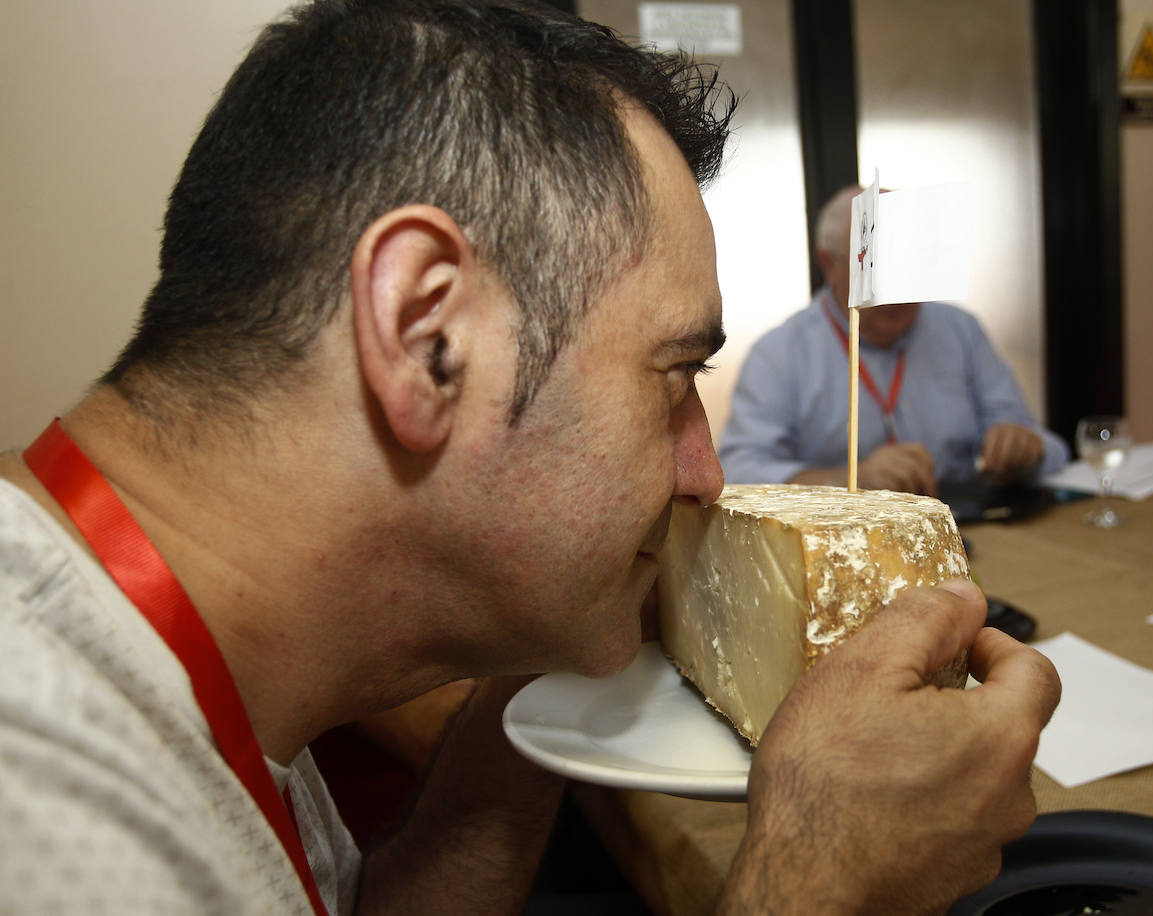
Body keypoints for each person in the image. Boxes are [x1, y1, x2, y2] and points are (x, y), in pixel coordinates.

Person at [0, 2, 1060, 914]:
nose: (705, 472)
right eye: (675, 373)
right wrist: (820, 884)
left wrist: (541, 658)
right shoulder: (43, 803)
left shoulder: (146, 655)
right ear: (428, 338)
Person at [719, 184, 1070, 496]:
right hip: (844, 538)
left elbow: (1049, 448)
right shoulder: (780, 353)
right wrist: (849, 481)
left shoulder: (961, 330)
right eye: (877, 269)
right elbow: (739, 472)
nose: (899, 290)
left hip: (969, 524)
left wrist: (1024, 448)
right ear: (829, 264)